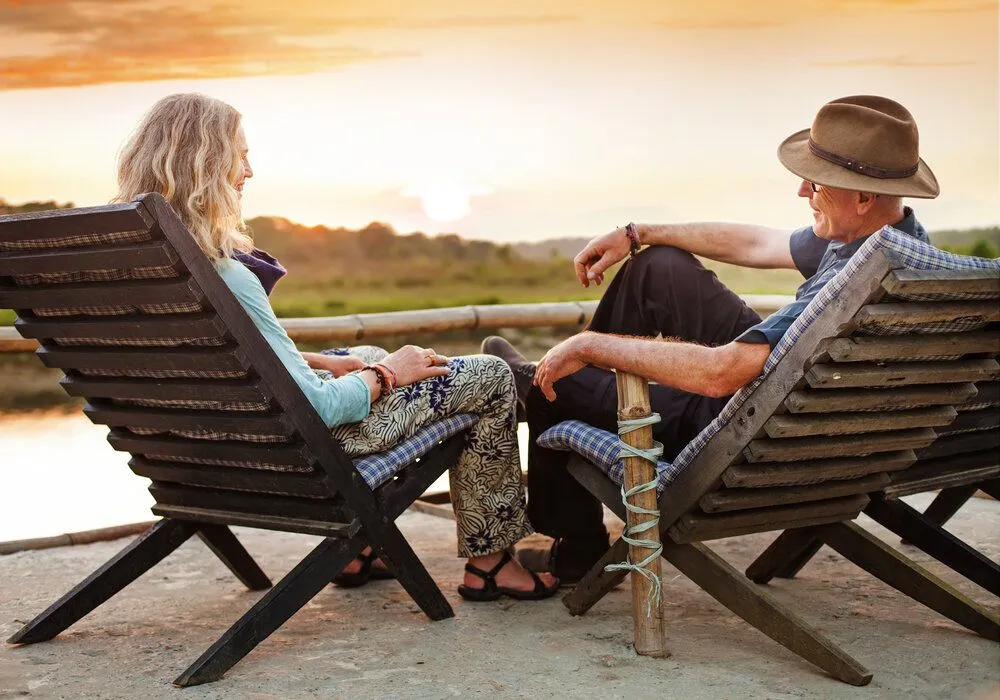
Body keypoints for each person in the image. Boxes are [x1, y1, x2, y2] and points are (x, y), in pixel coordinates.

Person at [113, 93, 558, 601]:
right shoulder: (225, 274)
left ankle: (357, 548)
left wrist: (325, 361)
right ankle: (490, 563)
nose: (250, 170)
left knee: (360, 354)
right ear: (208, 163)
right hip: (298, 453)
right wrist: (390, 373)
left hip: (200, 452)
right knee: (488, 377)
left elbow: (215, 360)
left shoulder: (144, 268)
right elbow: (321, 408)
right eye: (240, 155)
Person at [483, 95, 939, 582]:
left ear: (862, 196)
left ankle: (575, 541)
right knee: (659, 267)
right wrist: (638, 233)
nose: (802, 190)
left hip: (745, 424)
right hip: (798, 405)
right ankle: (574, 385)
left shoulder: (850, 285)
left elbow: (721, 373)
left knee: (545, 381)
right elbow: (757, 243)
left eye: (816, 182)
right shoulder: (898, 244)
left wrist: (587, 347)